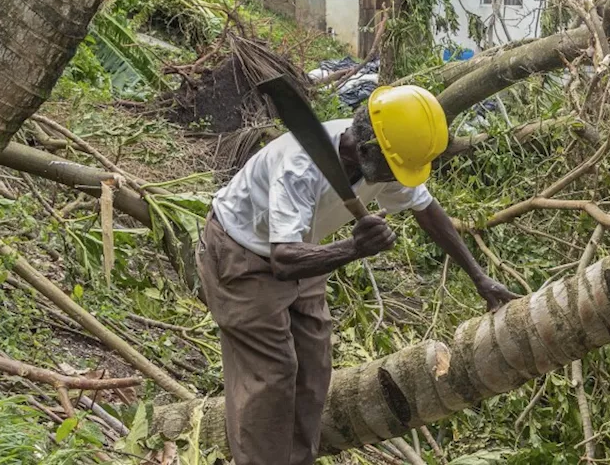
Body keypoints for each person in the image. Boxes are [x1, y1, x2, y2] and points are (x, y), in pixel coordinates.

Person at [197, 84, 519, 464]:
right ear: (365, 150)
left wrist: (478, 276)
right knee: (272, 375)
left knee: (313, 371)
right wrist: (354, 249)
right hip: (244, 254)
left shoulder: (383, 155)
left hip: (304, 249)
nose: (400, 179)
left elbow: (426, 208)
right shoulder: (302, 166)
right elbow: (283, 261)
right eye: (396, 170)